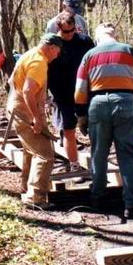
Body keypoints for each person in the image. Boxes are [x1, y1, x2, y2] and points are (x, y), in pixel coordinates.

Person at [74, 23, 133, 219]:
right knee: (128, 154)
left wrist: (81, 115)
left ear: (98, 38)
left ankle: (98, 198)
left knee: (98, 153)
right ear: (115, 36)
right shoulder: (129, 51)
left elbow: (80, 90)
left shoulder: (88, 55)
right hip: (125, 101)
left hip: (97, 104)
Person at [7, 33, 63, 209]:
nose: (57, 56)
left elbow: (11, 81)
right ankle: (35, 198)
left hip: (16, 107)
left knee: (31, 152)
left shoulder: (28, 54)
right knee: (45, 156)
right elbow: (27, 91)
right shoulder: (39, 62)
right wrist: (36, 118)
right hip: (25, 112)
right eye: (58, 52)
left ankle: (25, 189)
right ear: (52, 47)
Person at [47, 11, 94, 174]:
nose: (69, 34)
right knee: (68, 129)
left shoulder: (85, 41)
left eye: (72, 30)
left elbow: (93, 64)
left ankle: (97, 160)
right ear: (58, 29)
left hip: (85, 92)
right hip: (62, 94)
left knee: (93, 126)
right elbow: (45, 70)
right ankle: (74, 164)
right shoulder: (53, 44)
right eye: (65, 31)